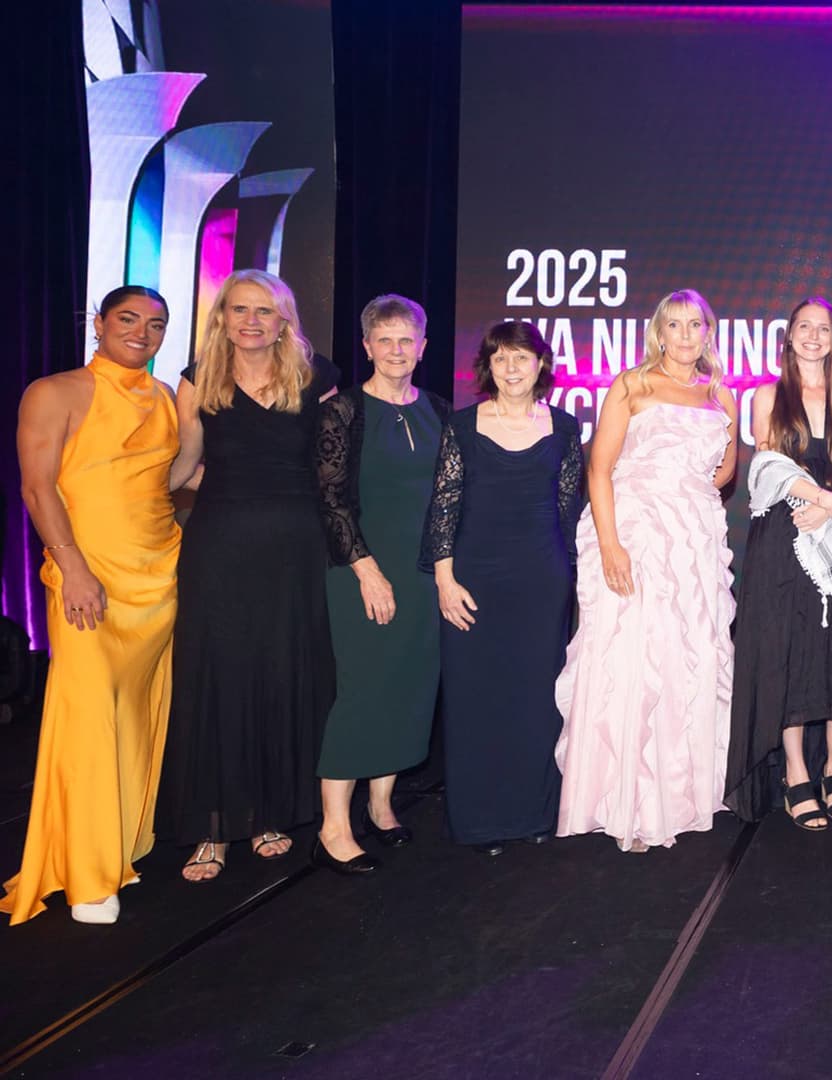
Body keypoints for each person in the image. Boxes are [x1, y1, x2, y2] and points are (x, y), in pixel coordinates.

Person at [2, 288, 178, 924]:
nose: (141, 332)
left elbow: (173, 478)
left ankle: (122, 843)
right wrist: (72, 566)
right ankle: (87, 873)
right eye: (128, 319)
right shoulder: (54, 391)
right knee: (88, 716)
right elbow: (36, 487)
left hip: (159, 573)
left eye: (156, 324)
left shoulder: (165, 397)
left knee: (134, 716)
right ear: (97, 323)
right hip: (89, 576)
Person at [157, 270, 338, 883]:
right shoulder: (198, 378)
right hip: (221, 544)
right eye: (239, 310)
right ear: (223, 318)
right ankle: (212, 826)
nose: (251, 321)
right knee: (218, 674)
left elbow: (334, 467)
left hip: (296, 546)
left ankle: (268, 814)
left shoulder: (316, 377)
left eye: (264, 311)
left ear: (284, 319)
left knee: (282, 672)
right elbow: (184, 463)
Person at [556, 289, 738, 851]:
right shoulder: (632, 385)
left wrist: (689, 496)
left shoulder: (720, 393)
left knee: (689, 656)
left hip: (694, 541)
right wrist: (612, 545)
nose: (685, 335)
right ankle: (627, 806)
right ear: (659, 331)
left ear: (707, 332)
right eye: (674, 324)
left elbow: (725, 470)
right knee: (635, 657)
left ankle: (679, 798)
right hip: (636, 534)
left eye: (694, 325)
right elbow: (599, 470)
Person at [420, 320, 584, 855]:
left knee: (537, 698)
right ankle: (481, 821)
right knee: (476, 697)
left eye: (521, 357)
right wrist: (444, 579)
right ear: (488, 367)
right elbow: (443, 505)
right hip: (474, 578)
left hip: (542, 580)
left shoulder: (565, 428)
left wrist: (577, 583)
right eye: (500, 358)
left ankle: (534, 812)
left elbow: (568, 511)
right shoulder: (462, 426)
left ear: (541, 364)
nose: (511, 368)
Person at [725, 297, 832, 829]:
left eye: (823, 329)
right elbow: (768, 464)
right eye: (804, 327)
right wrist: (819, 501)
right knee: (788, 652)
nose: (813, 336)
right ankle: (796, 772)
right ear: (789, 335)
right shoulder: (768, 395)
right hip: (787, 533)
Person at [313, 295, 449, 874]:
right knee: (364, 691)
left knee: (408, 687)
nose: (396, 350)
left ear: (423, 346)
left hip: (423, 575)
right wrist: (368, 571)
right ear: (367, 346)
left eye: (406, 340)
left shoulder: (439, 410)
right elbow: (330, 501)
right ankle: (333, 827)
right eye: (385, 340)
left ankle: (381, 805)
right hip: (361, 572)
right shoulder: (343, 411)